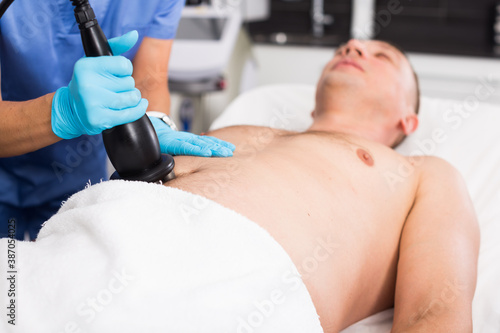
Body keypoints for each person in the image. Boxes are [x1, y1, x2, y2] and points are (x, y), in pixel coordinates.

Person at [162, 39, 480, 332]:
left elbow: (433, 313)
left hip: (231, 296)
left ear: (407, 119)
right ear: (313, 108)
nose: (352, 47)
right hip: (126, 220)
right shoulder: (240, 129)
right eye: (343, 49)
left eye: (382, 56)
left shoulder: (421, 174)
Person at [0, 0, 234, 240]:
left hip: (76, 169)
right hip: (3, 174)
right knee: (9, 274)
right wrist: (64, 111)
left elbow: (149, 79)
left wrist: (154, 121)